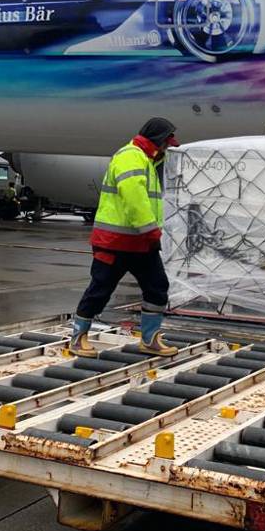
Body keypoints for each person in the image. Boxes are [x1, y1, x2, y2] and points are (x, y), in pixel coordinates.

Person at [69, 117, 181, 357]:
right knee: (100, 289)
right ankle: (78, 337)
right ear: (159, 140)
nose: (168, 148)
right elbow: (134, 197)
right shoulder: (130, 156)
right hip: (115, 242)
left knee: (157, 287)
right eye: (167, 143)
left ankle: (149, 339)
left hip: (140, 243)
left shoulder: (147, 160)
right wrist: (150, 228)